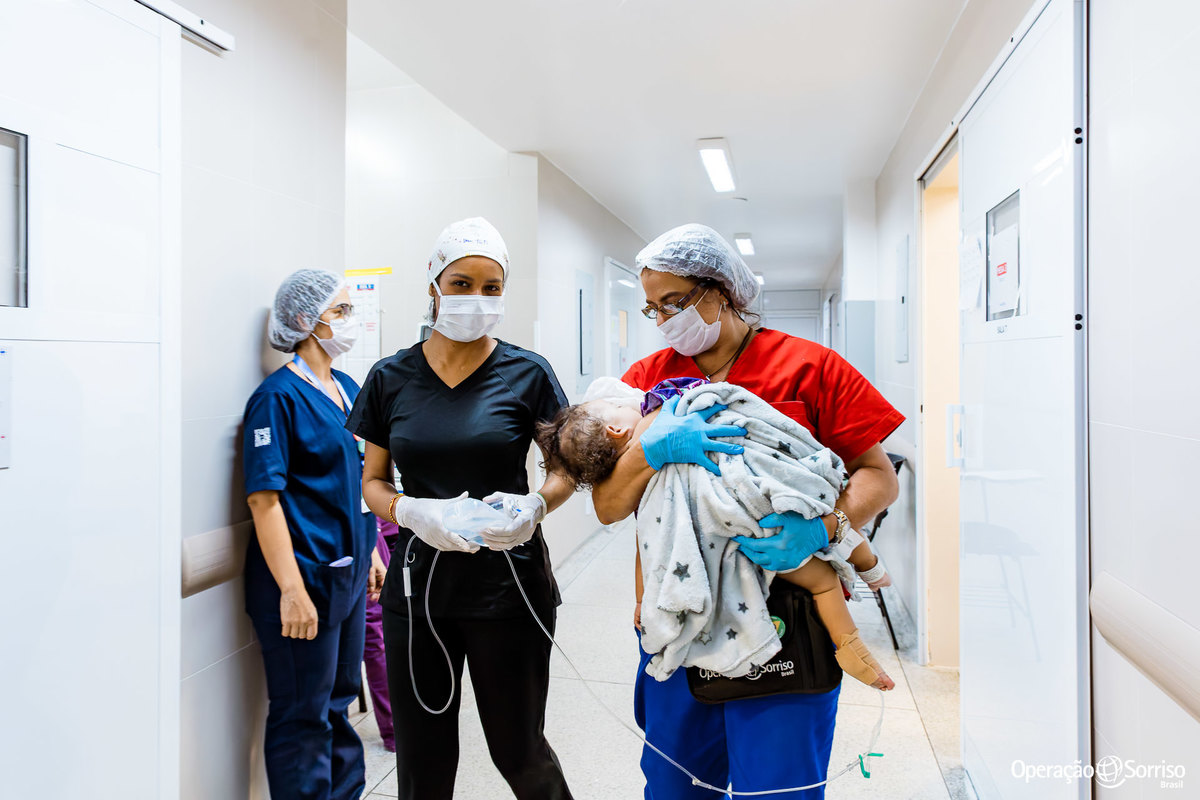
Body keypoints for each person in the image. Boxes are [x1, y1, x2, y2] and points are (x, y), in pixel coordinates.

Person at [591, 224, 905, 799]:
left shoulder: (813, 367)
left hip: (788, 616)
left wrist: (821, 526)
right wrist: (650, 450)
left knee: (779, 787)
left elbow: (878, 477)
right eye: (652, 307)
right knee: (674, 784)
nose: (663, 319)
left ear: (722, 292)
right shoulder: (646, 380)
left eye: (674, 302)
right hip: (679, 610)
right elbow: (610, 506)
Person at [346, 217, 577, 800]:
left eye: (491, 287)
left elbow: (565, 469)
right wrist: (411, 511)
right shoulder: (389, 378)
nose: (476, 298)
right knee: (423, 765)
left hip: (510, 587)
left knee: (519, 750)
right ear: (433, 285)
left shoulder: (528, 373)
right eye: (462, 283)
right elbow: (372, 480)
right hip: (420, 592)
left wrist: (534, 507)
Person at [535, 375, 894, 690]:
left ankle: (852, 647)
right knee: (821, 514)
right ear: (616, 429)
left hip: (740, 537)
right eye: (613, 406)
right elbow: (608, 508)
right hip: (764, 499)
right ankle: (872, 570)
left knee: (822, 580)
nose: (662, 318)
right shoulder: (652, 417)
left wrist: (643, 599)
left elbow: (650, 538)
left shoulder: (638, 455)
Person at [242, 269, 387, 800]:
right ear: (306, 320)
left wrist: (372, 548)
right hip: (302, 577)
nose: (351, 321)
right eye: (342, 311)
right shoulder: (276, 398)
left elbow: (355, 476)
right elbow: (264, 498)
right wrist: (291, 590)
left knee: (340, 700)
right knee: (303, 713)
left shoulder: (347, 389)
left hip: (346, 575)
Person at [363, 516, 400, 751]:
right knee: (375, 635)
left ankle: (399, 727)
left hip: (392, 524)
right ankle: (394, 731)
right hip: (369, 528)